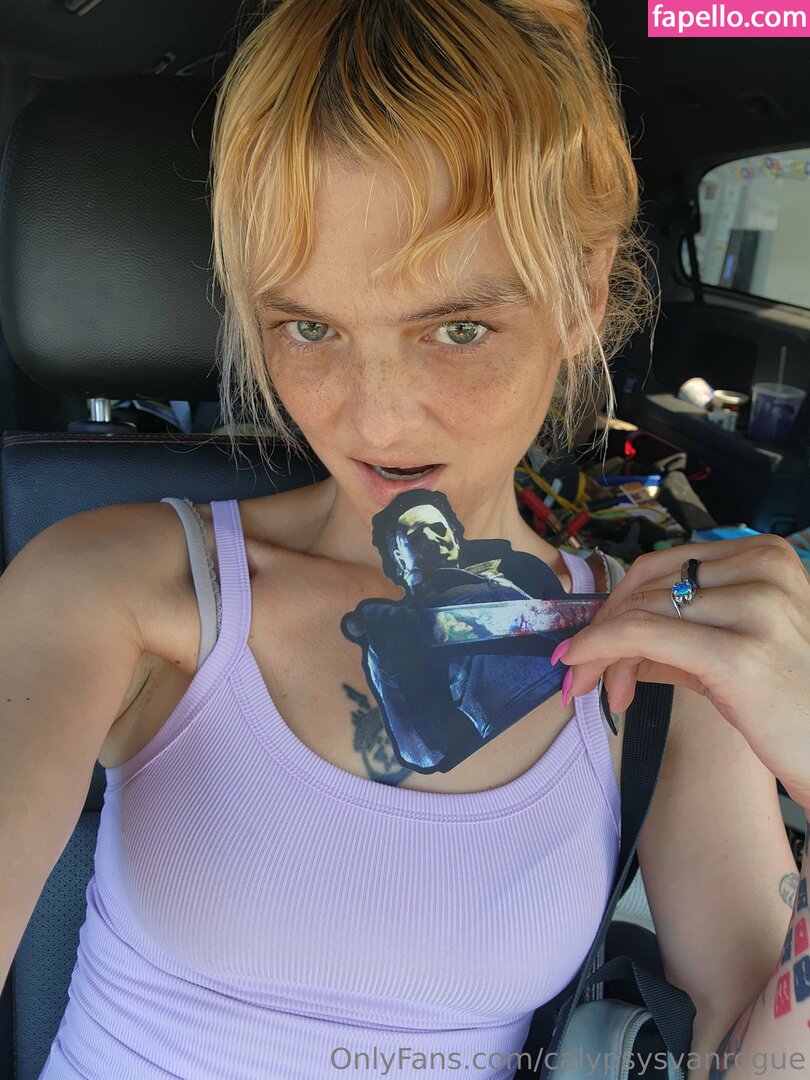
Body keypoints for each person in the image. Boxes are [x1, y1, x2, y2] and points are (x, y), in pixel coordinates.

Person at [1, 1, 808, 1078]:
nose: (376, 423)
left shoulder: (661, 663)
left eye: (458, 329)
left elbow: (749, 1058)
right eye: (310, 328)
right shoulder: (117, 590)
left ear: (581, 291)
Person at [343, 490, 584, 773]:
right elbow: (422, 754)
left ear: (454, 539)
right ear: (399, 557)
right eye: (416, 537)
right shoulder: (394, 631)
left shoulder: (516, 574)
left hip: (584, 711)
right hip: (516, 748)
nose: (432, 539)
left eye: (438, 529)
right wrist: (395, 668)